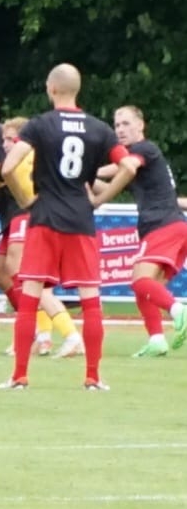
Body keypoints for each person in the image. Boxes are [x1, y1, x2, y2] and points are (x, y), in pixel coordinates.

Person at [0, 64, 123, 390]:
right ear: (77, 90)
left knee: (30, 297)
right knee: (91, 300)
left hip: (45, 218)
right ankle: (93, 377)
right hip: (81, 219)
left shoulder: (40, 125)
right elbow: (128, 166)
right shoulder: (99, 128)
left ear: (51, 89)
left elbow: (8, 167)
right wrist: (101, 198)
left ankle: (20, 375)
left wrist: (26, 200)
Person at [0, 95, 80, 356]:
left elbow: (2, 173)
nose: (5, 144)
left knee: (25, 275)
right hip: (14, 216)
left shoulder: (8, 145)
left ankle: (51, 334)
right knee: (2, 275)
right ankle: (38, 331)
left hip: (26, 215)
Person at [90, 105, 187, 358]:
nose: (120, 130)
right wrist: (82, 178)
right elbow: (109, 182)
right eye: (117, 125)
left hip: (162, 226)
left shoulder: (144, 149)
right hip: (173, 227)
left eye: (126, 123)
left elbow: (124, 168)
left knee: (140, 281)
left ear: (141, 125)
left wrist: (88, 175)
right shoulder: (137, 160)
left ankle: (179, 310)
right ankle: (157, 340)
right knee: (145, 289)